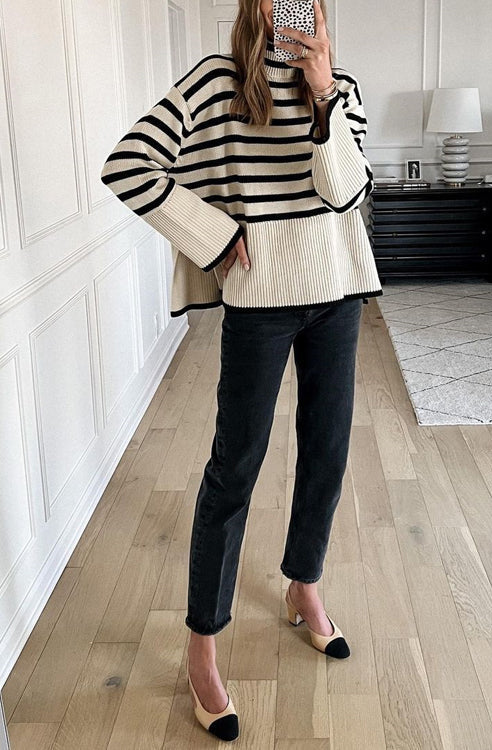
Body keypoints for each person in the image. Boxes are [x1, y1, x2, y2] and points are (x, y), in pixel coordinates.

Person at [101, 0, 382, 741]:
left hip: (338, 294)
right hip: (260, 304)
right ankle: (203, 644)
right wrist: (214, 233)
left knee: (327, 453)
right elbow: (128, 164)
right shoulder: (214, 82)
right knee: (234, 469)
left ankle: (303, 585)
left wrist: (322, 91)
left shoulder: (342, 86)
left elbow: (345, 193)